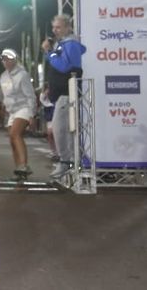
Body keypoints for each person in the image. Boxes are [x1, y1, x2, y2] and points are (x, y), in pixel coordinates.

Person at [43, 14, 86, 178]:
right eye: (53, 27)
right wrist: (49, 87)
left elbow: (64, 66)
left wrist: (49, 52)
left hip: (67, 94)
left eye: (58, 27)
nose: (54, 31)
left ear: (68, 27)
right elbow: (58, 67)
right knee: (63, 129)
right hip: (61, 94)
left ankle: (65, 162)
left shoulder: (71, 44)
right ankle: (68, 163)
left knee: (60, 129)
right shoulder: (63, 44)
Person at [0, 48, 35, 179]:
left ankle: (24, 165)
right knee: (12, 140)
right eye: (3, 59)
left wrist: (32, 114)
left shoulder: (22, 75)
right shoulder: (3, 76)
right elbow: (1, 94)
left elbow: (31, 95)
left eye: (8, 59)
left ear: (14, 59)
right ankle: (19, 170)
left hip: (24, 108)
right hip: (12, 111)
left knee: (14, 134)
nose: (5, 61)